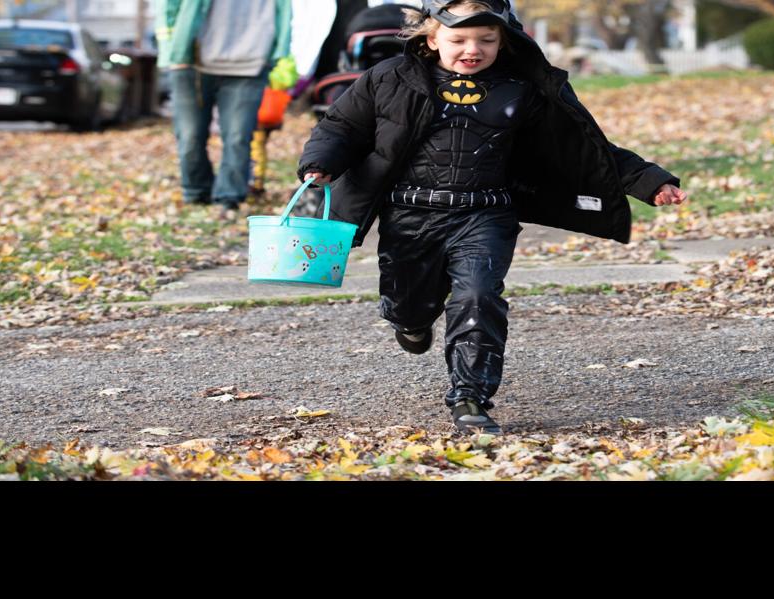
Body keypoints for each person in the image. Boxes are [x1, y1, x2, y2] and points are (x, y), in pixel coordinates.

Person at [296, 0, 689, 436]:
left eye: (486, 40)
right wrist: (321, 161)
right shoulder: (389, 78)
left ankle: (470, 396)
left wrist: (647, 180)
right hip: (410, 214)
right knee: (409, 303)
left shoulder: (522, 88)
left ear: (504, 41)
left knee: (479, 298)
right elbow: (341, 127)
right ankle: (409, 320)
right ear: (430, 38)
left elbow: (581, 146)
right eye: (458, 39)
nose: (472, 49)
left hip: (484, 213)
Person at [157, 0, 294, 219]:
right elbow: (167, 7)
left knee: (238, 136)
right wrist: (172, 51)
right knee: (190, 136)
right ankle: (196, 191)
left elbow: (285, 13)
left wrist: (277, 53)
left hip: (250, 63)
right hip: (191, 61)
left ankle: (230, 197)